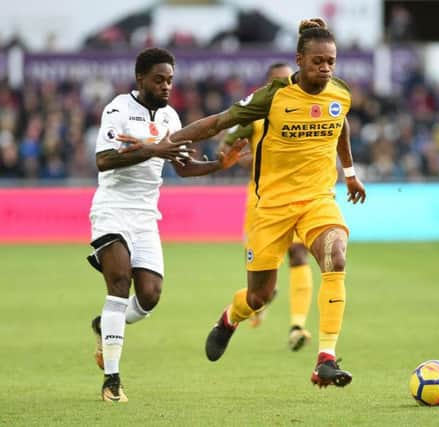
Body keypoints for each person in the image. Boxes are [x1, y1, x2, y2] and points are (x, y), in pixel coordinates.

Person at [158, 17, 366, 388]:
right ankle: (229, 319)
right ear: (299, 60)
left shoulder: (340, 92)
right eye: (318, 61)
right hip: (270, 206)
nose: (325, 68)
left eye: (331, 61)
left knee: (336, 257)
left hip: (318, 199)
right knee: (260, 296)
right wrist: (169, 142)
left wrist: (348, 172)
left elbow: (341, 121)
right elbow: (219, 122)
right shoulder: (273, 96)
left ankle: (326, 359)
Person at [88, 47, 245, 403]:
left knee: (149, 296)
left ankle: (104, 326)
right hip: (112, 210)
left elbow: (184, 167)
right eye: (158, 79)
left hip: (145, 217)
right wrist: (153, 149)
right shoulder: (117, 109)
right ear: (140, 78)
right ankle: (112, 380)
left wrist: (220, 164)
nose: (165, 86)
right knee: (118, 283)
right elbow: (103, 160)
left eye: (170, 80)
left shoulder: (172, 118)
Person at [221, 62, 314, 352]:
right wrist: (250, 158)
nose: (287, 85)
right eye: (279, 81)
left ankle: (298, 326)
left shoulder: (308, 110)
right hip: (263, 202)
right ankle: (257, 302)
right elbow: (226, 148)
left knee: (299, 253)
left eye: (289, 79)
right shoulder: (254, 115)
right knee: (262, 285)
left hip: (300, 197)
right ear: (267, 86)